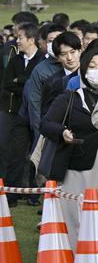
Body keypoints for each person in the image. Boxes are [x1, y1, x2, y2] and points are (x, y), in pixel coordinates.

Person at [40, 45, 98, 249]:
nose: (97, 70)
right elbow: (46, 124)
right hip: (76, 166)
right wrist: (62, 133)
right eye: (92, 65)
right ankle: (73, 262)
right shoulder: (71, 97)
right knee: (75, 215)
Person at [1, 22, 45, 205]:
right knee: (16, 153)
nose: (16, 41)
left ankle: (33, 195)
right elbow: (8, 83)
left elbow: (42, 87)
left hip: (37, 115)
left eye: (20, 37)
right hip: (18, 114)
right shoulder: (15, 59)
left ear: (31, 39)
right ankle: (11, 195)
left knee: (35, 154)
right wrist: (27, 85)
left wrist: (23, 81)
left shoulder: (43, 60)